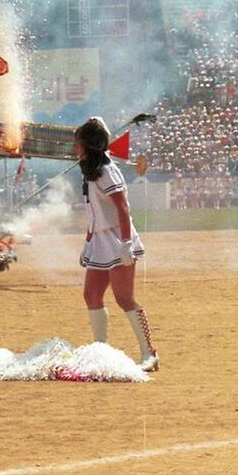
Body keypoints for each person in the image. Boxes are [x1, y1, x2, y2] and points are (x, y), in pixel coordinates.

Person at [74, 118, 159, 372]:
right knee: (91, 295)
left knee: (124, 298)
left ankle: (149, 353)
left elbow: (122, 208)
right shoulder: (90, 168)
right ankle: (100, 350)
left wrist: (125, 244)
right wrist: (88, 242)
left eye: (78, 142)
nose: (75, 147)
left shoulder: (107, 170)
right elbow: (93, 210)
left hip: (116, 239)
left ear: (88, 145)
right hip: (99, 240)